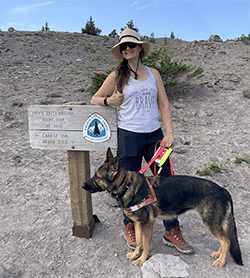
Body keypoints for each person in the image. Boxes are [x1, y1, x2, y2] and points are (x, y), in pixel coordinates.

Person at [91, 28, 194, 254]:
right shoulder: (117, 75)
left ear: (139, 48)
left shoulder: (153, 73)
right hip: (129, 135)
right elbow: (95, 98)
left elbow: (164, 104)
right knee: (125, 184)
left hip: (155, 136)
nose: (127, 49)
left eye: (131, 45)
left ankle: (171, 230)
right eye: (123, 46)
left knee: (165, 181)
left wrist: (169, 132)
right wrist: (110, 100)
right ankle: (130, 225)